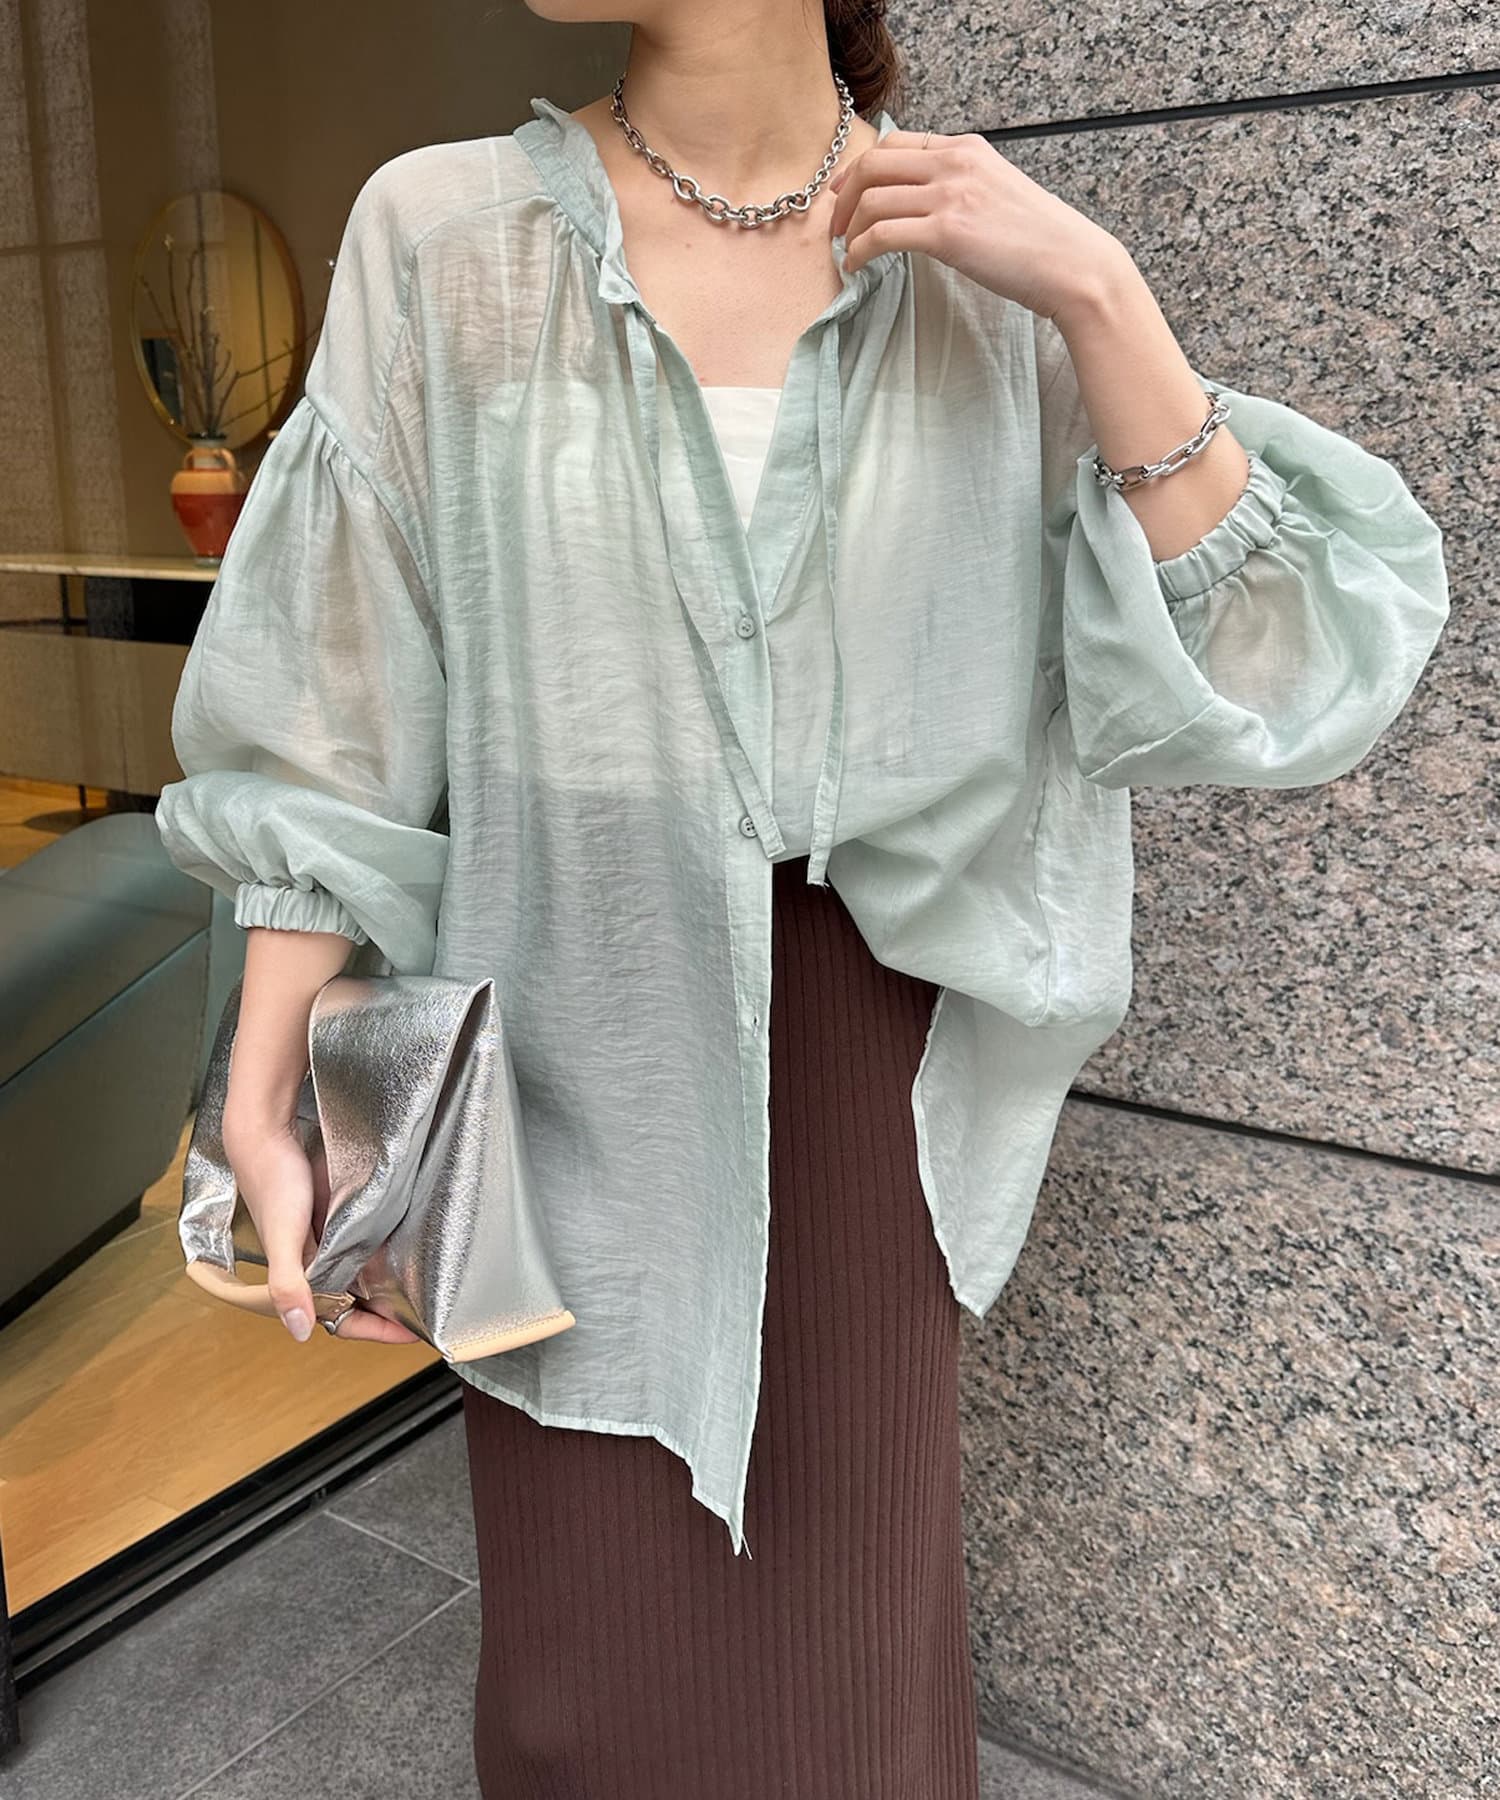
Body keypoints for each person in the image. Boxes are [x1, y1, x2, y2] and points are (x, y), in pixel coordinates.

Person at [153, 0, 1450, 1793]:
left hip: (866, 1062)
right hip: (559, 1021)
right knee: (580, 1680)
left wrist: (1101, 299)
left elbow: (1278, 662)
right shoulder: (446, 235)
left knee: (852, 1674)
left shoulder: (987, 268)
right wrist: (265, 1087)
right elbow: (336, 690)